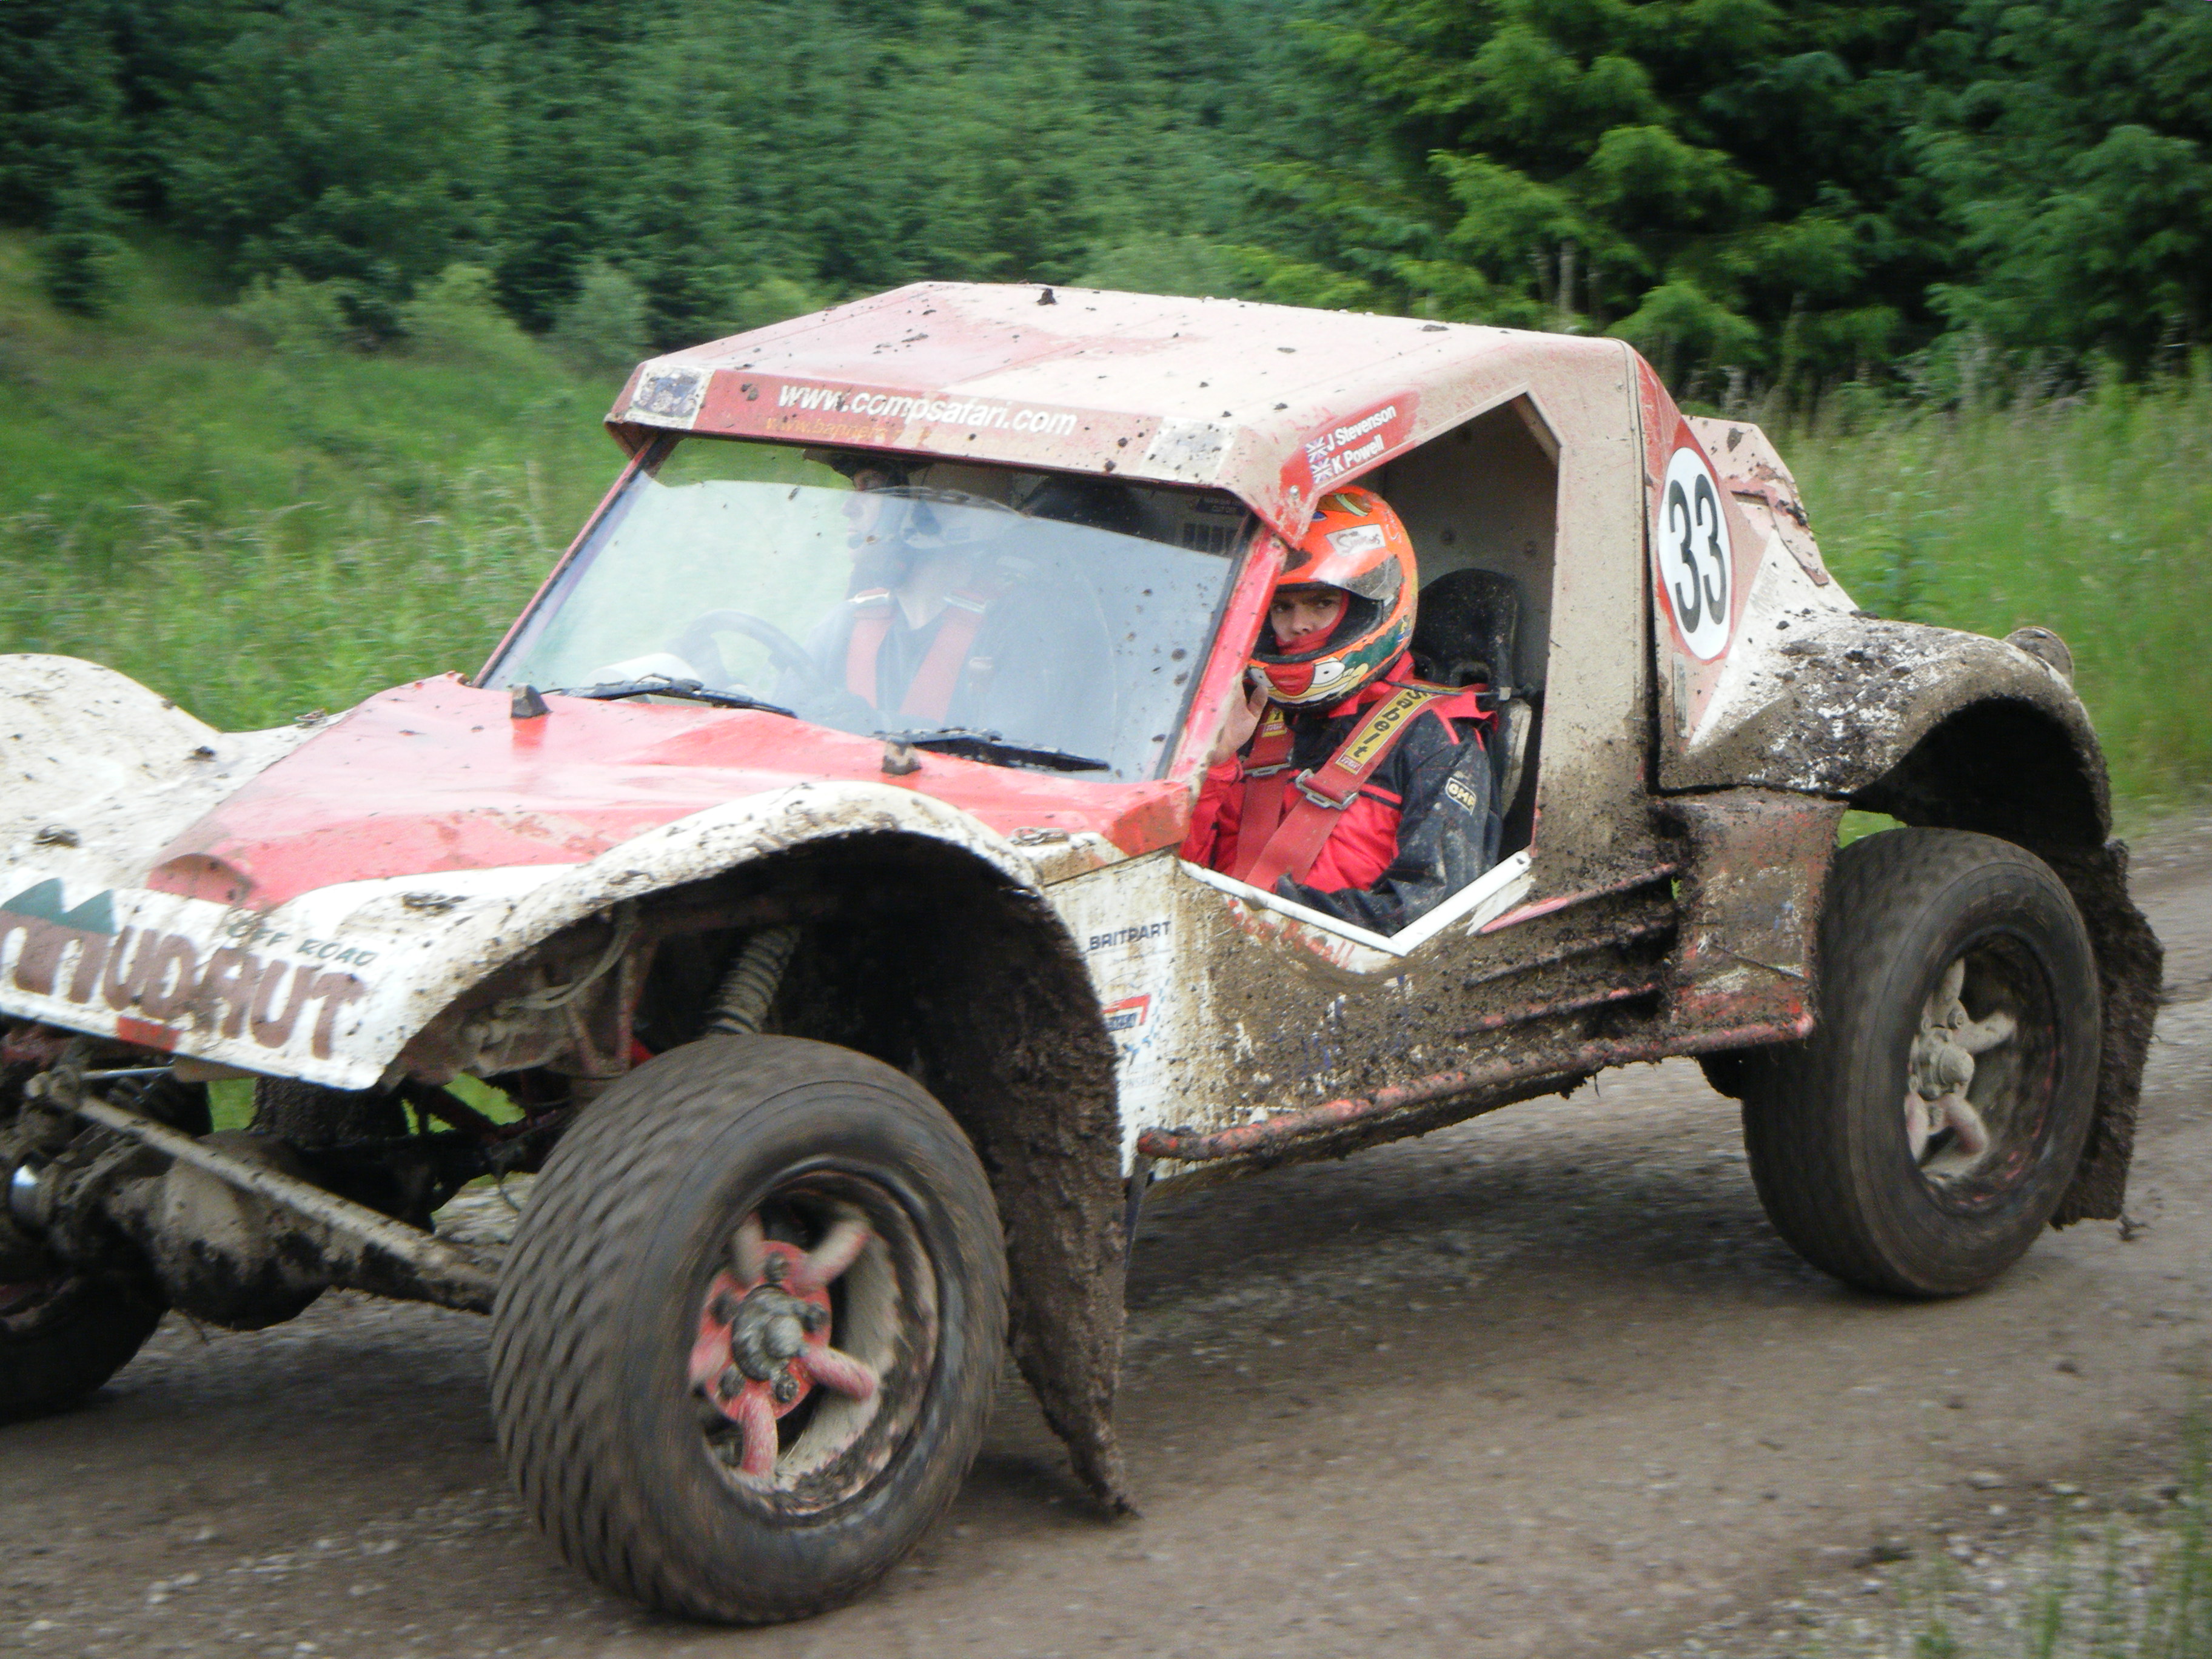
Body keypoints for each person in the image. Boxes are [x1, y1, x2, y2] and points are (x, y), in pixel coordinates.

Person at [1181, 486, 1498, 934]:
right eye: (1282, 607)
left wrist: (1264, 917)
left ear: (1368, 604)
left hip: (1331, 968)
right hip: (1211, 951)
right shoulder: (1244, 718)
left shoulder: (1437, 737)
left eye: (1322, 603)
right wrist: (1213, 768)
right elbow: (1169, 881)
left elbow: (1429, 919)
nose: (1299, 625)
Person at [797, 458, 1117, 757]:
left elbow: (1013, 773)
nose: (848, 508)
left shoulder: (1023, 632)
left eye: (873, 488)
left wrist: (873, 725)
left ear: (942, 511)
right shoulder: (844, 626)